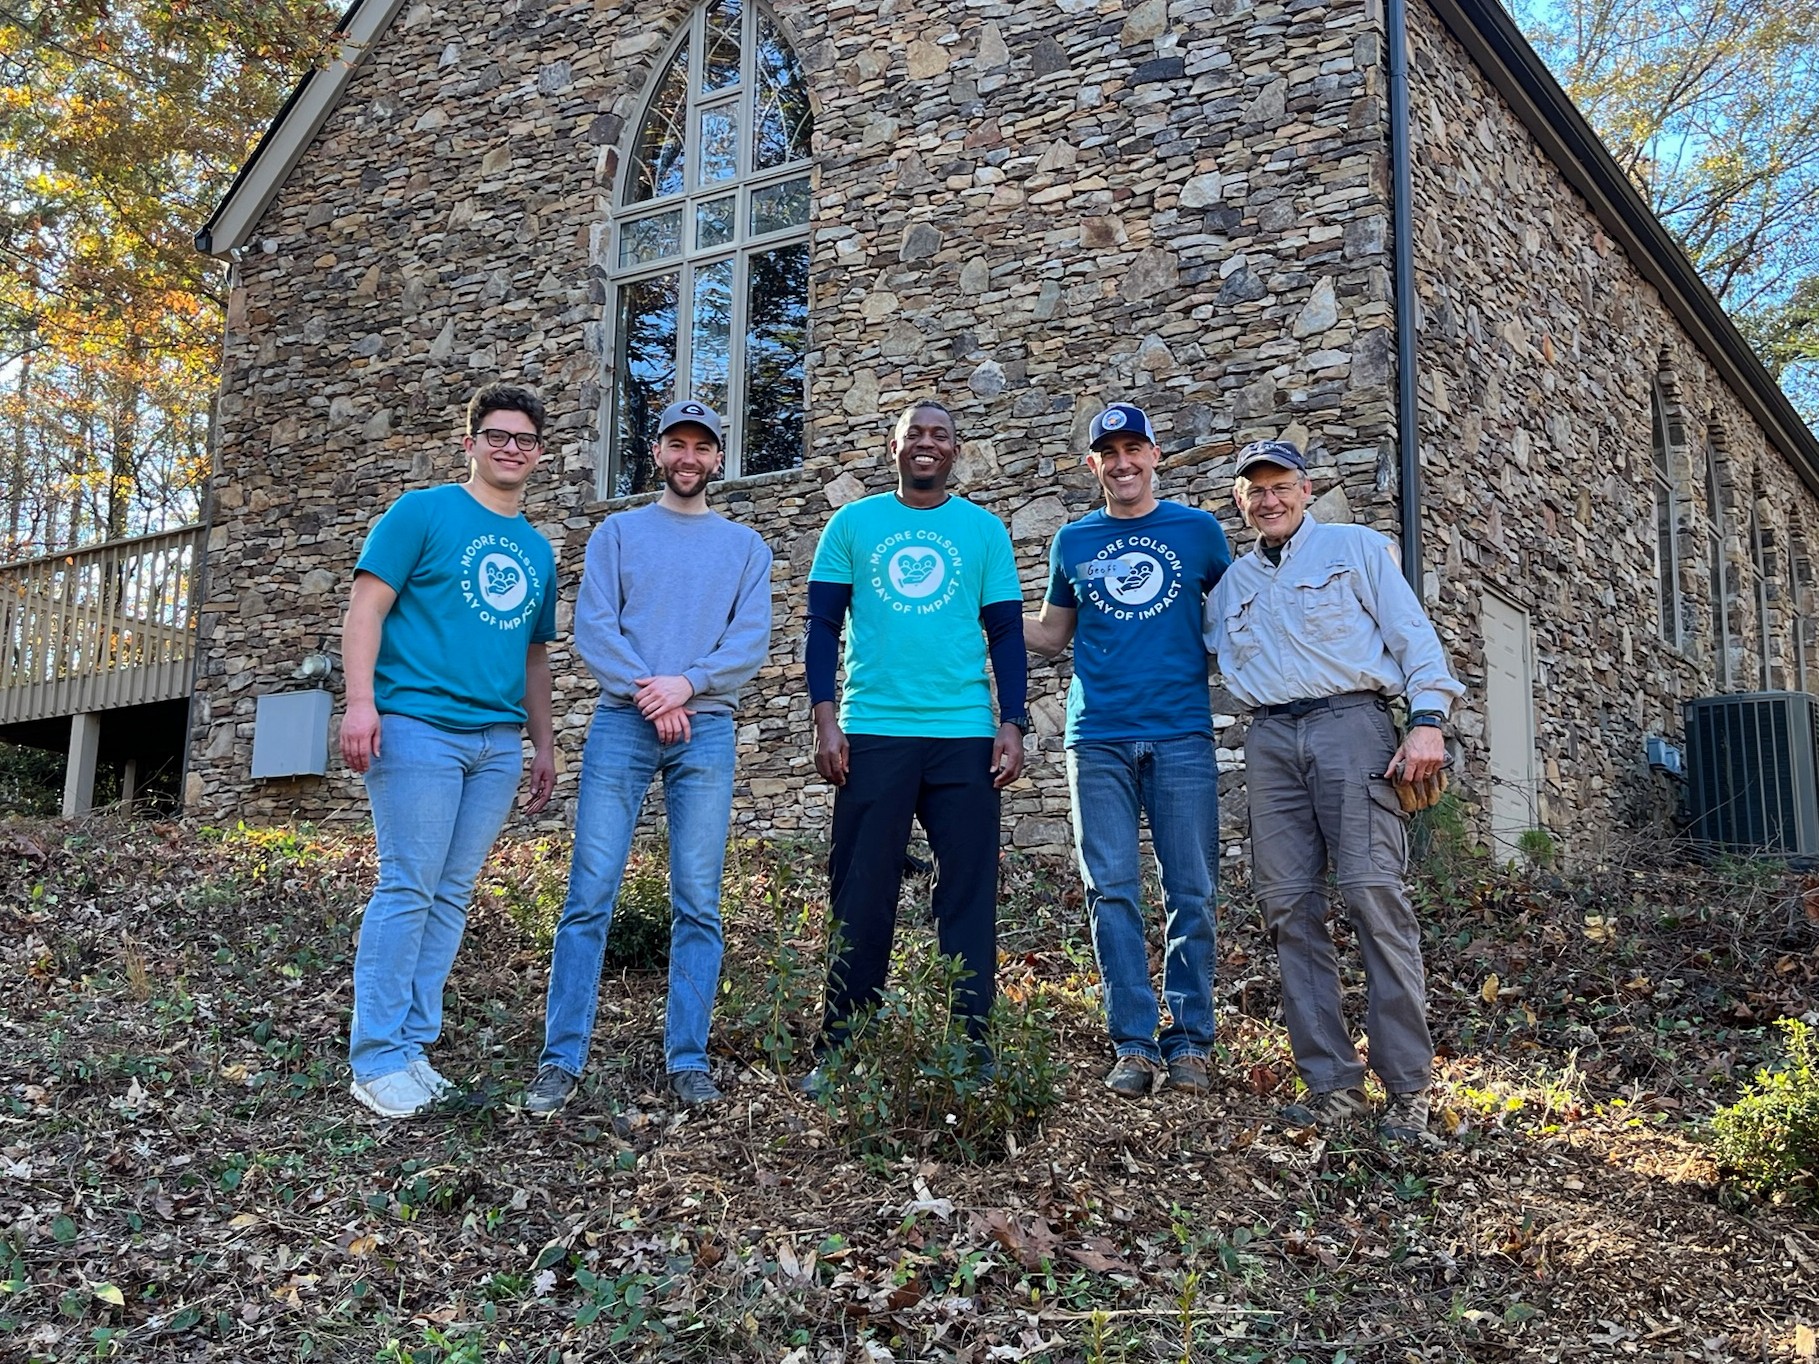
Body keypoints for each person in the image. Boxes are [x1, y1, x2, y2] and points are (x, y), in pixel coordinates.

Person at [1204, 439, 1464, 1145]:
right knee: (1288, 907)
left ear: (1305, 488)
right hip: (1269, 741)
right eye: (1254, 490)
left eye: (1280, 485)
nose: (1269, 499)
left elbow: (1413, 638)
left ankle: (1406, 1089)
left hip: (1351, 726)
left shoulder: (1355, 549)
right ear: (1238, 500)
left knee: (1372, 897)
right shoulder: (1230, 588)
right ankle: (1332, 1086)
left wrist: (1427, 721)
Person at [522, 401, 773, 1114]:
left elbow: (747, 642)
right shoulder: (618, 533)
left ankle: (686, 1058)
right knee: (588, 895)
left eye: (702, 446)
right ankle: (561, 1059)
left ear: (718, 459)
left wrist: (685, 687)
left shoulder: (746, 549)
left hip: (708, 728)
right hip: (621, 724)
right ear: (656, 452)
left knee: (698, 901)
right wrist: (652, 695)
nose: (688, 458)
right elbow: (594, 628)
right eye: (676, 445)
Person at [340, 381, 558, 1119]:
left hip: (495, 743)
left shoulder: (535, 550)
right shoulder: (422, 512)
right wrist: (361, 702)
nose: (510, 449)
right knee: (408, 885)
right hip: (417, 728)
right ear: (470, 443)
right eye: (497, 436)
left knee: (451, 893)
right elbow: (366, 608)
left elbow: (534, 659)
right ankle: (374, 1058)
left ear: (538, 454)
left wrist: (543, 745)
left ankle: (410, 1047)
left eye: (524, 440)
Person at [803, 398, 1029, 1081]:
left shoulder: (983, 532)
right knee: (860, 891)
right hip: (873, 731)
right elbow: (820, 628)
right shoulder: (853, 524)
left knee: (966, 894)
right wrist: (824, 716)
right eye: (913, 434)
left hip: (963, 735)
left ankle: (970, 1050)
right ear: (892, 445)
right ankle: (844, 1045)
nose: (925, 444)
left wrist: (1012, 721)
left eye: (939, 435)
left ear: (955, 451)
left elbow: (1007, 634)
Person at [1025, 403, 1231, 1099]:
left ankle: (1192, 1042)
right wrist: (980, 607)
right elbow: (1053, 635)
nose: (1121, 463)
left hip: (1180, 733)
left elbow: (1240, 614)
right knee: (1110, 891)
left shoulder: (1198, 533)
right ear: (1093, 466)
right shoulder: (1072, 541)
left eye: (1131, 450)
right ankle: (1134, 1044)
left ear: (1154, 456)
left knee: (1191, 892)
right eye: (1107, 453)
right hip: (1098, 738)